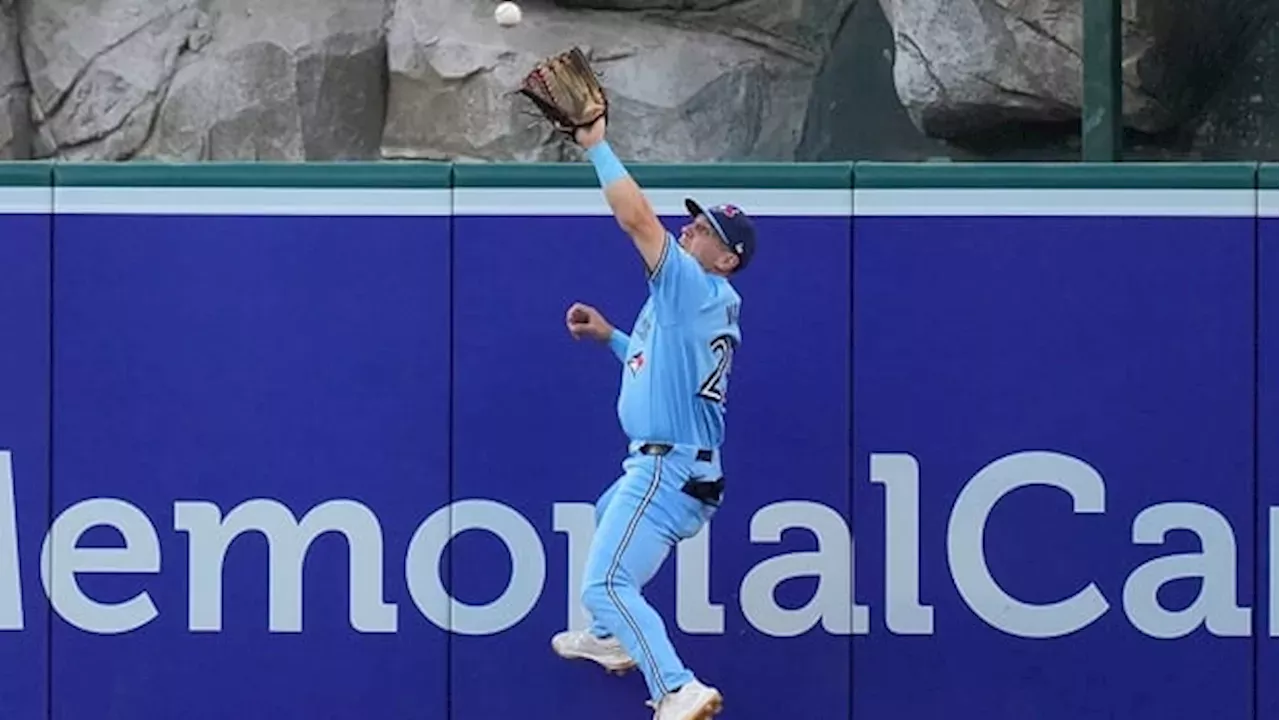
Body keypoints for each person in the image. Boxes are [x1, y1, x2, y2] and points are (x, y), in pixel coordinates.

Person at [549, 115, 757, 720]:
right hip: (677, 462)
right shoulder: (692, 301)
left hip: (667, 468)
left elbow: (636, 218)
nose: (691, 229)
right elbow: (661, 368)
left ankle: (676, 687)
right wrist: (613, 337)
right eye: (693, 221)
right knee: (602, 514)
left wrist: (595, 146)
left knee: (606, 585)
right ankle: (612, 637)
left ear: (728, 259)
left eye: (707, 230)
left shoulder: (693, 286)